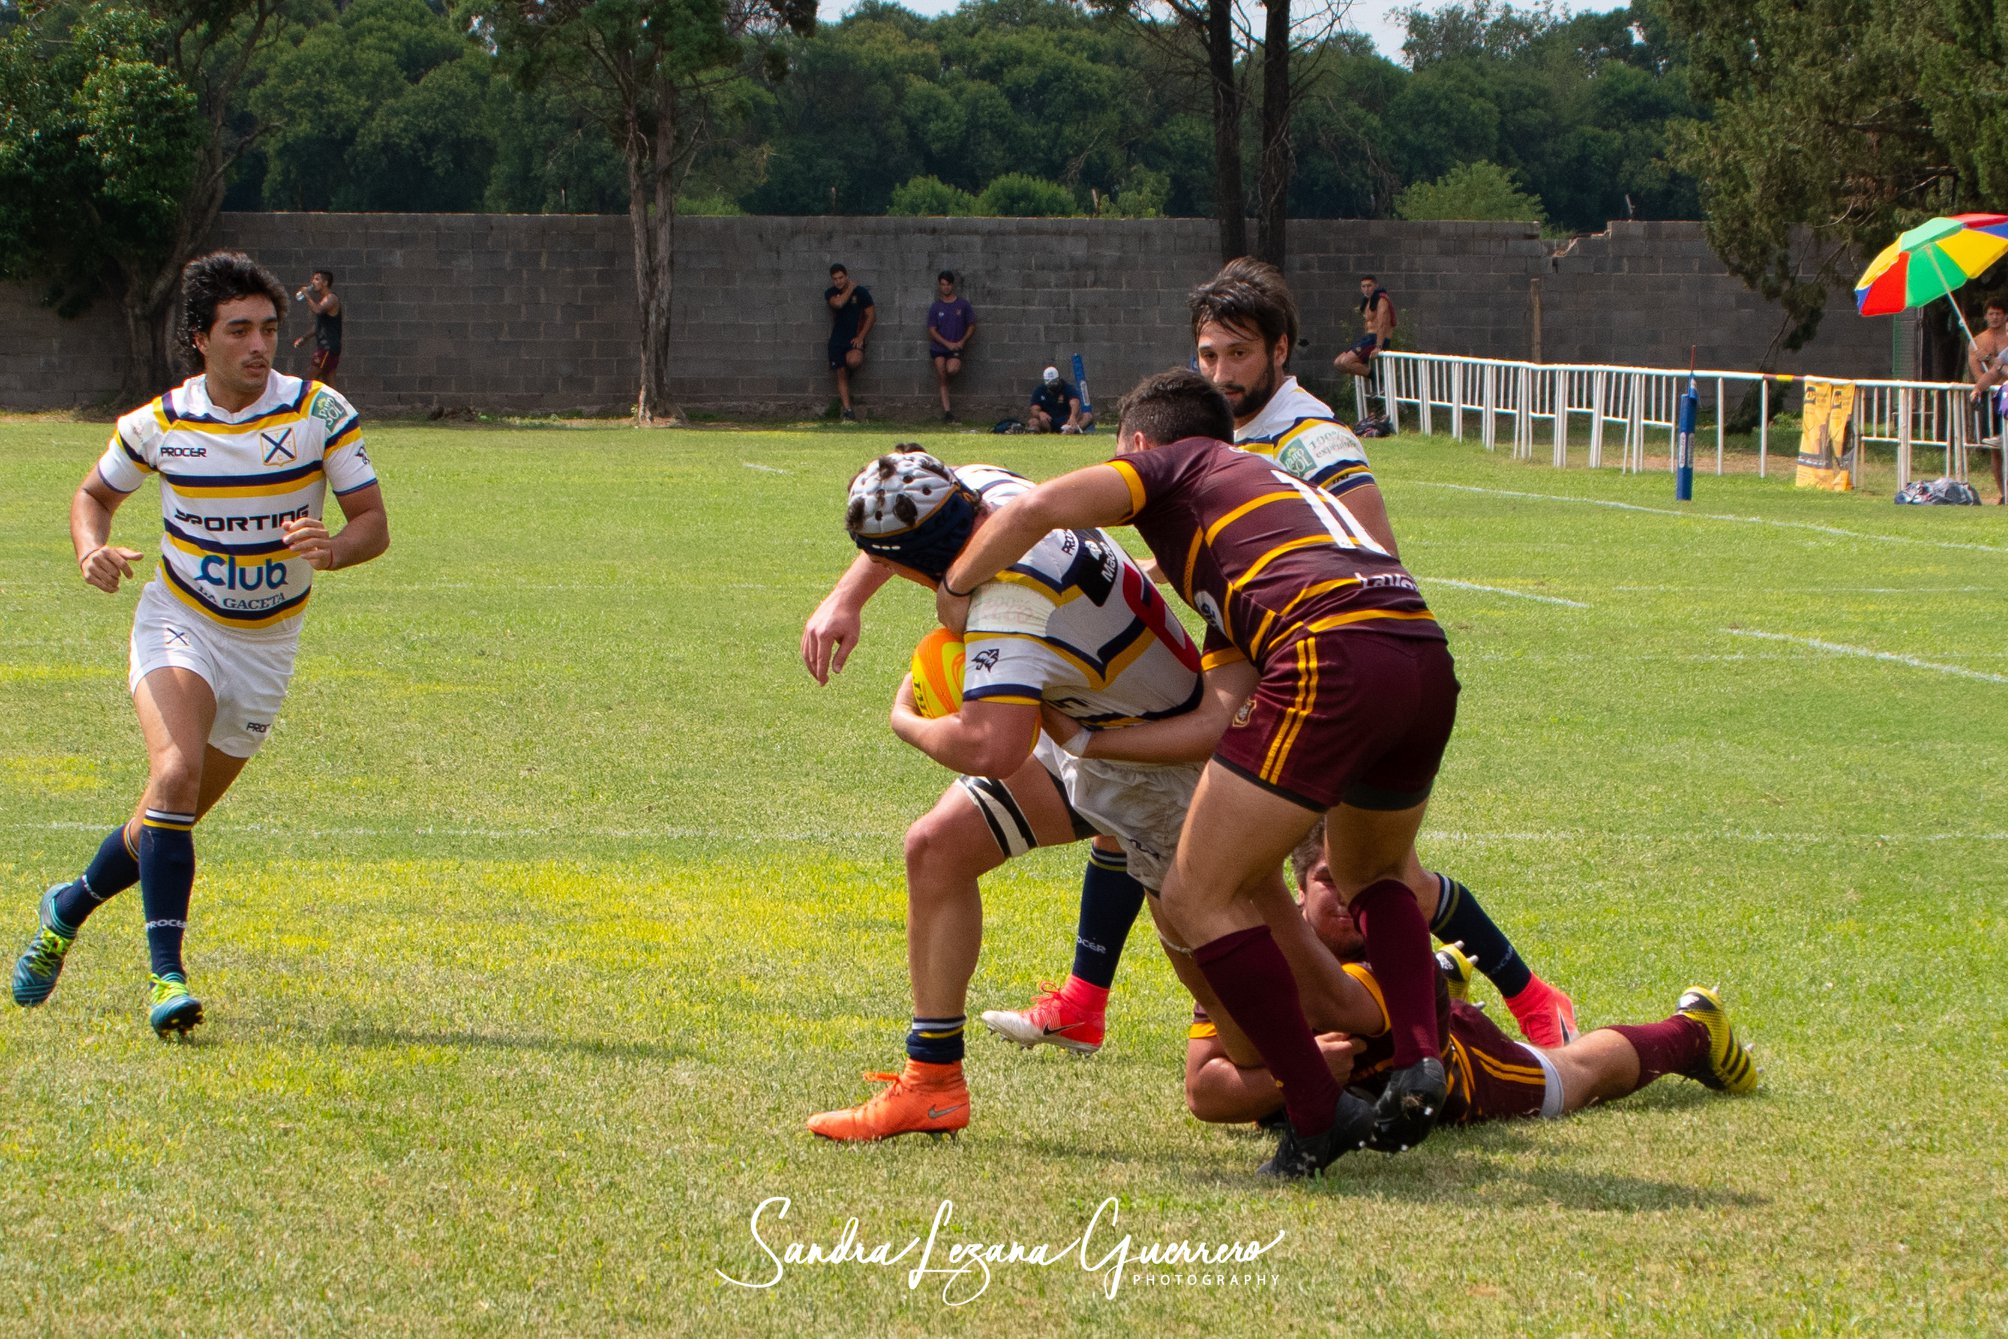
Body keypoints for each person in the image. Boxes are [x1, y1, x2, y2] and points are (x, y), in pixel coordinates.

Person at [986, 265, 1576, 1060]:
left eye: (1237, 354)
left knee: (1362, 877)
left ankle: (1519, 998)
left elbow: (1367, 549)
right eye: (1208, 355)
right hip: (1271, 670)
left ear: (1280, 350)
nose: (1221, 374)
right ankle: (1091, 998)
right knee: (1147, 828)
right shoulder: (1206, 431)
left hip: (1319, 683)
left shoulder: (1313, 437)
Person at [940, 367, 1464, 1178]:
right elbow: (1219, 715)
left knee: (1193, 894)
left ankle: (1318, 1112)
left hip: (1333, 645)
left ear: (1140, 446)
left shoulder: (1173, 465)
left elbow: (1036, 506)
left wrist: (959, 585)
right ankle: (1417, 1059)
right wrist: (1087, 743)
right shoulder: (1245, 516)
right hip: (1421, 650)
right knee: (1374, 869)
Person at [803, 446, 1233, 1143]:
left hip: (1156, 766)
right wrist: (845, 596)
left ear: (917, 566)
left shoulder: (1005, 597)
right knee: (935, 848)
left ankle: (1375, 1035)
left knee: (1233, 1016)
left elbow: (993, 746)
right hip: (1097, 722)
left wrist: (908, 720)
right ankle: (932, 1082)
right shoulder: (981, 492)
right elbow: (910, 530)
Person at [10, 250, 388, 1038]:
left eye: (269, 329)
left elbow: (373, 526)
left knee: (165, 817)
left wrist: (333, 547)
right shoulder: (162, 423)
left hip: (267, 647)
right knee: (173, 774)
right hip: (180, 621)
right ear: (199, 339)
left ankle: (68, 905)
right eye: (239, 329)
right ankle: (167, 978)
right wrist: (91, 549)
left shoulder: (320, 414)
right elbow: (94, 493)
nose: (258, 345)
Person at [1184, 829, 1758, 1128]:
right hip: (1386, 1037)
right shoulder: (1251, 948)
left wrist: (1250, 882)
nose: (1346, 899)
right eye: (1329, 880)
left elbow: (1334, 1004)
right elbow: (1203, 1092)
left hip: (1457, 1068)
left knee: (1578, 1073)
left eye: (1359, 884)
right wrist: (1294, 1077)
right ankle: (1444, 975)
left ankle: (1696, 1029)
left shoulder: (1382, 948)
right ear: (1300, 887)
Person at [1964, 295, 2008, 505]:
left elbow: (2000, 369)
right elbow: (1985, 374)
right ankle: (2004, 492)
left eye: (1998, 313)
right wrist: (1978, 388)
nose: (1995, 317)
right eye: (1991, 313)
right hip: (1992, 400)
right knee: (1995, 449)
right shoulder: (1978, 341)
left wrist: (1992, 362)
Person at [825, 263, 875, 421]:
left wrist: (861, 336)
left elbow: (872, 316)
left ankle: (849, 371)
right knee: (840, 373)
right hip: (837, 340)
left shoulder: (861, 293)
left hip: (853, 338)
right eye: (835, 279)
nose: (838, 281)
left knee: (853, 360)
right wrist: (850, 289)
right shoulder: (831, 293)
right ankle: (848, 411)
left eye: (841, 278)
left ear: (846, 276)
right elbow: (838, 304)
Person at [927, 271, 975, 423]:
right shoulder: (936, 307)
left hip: (955, 349)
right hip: (939, 348)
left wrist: (962, 341)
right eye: (942, 284)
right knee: (942, 376)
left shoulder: (963, 305)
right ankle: (947, 412)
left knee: (951, 369)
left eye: (948, 284)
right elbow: (932, 330)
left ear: (952, 285)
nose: (945, 287)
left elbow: (972, 325)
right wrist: (946, 343)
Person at [1333, 273, 1395, 383]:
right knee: (1338, 363)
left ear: (1376, 285)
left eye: (1369, 286)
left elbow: (1382, 324)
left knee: (1347, 362)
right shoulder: (1368, 301)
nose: (1366, 289)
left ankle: (1378, 379)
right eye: (1363, 286)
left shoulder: (1381, 300)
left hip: (1377, 339)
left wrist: (1378, 346)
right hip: (1368, 339)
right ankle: (1370, 377)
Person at [289, 269, 343, 384]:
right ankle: (336, 402)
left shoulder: (331, 298)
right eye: (313, 279)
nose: (313, 282)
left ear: (325, 283)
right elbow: (319, 326)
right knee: (328, 385)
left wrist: (307, 296)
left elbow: (317, 310)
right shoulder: (324, 300)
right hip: (328, 348)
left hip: (327, 347)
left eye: (317, 279)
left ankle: (302, 402)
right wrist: (304, 338)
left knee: (309, 381)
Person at [1028, 365, 1092, 434]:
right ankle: (1034, 432)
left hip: (1066, 421)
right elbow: (1034, 409)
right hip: (1048, 421)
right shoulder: (1039, 390)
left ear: (1058, 379)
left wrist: (1073, 416)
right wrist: (1040, 414)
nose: (1052, 385)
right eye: (1049, 383)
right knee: (1033, 421)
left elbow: (1075, 403)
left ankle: (1072, 431)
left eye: (1054, 382)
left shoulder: (1068, 388)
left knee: (1087, 416)